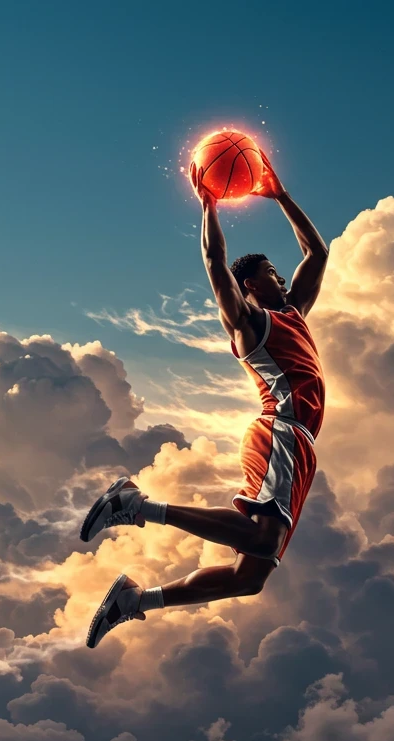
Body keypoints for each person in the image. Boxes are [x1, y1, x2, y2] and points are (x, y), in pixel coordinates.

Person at [80, 150, 329, 647]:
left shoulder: (295, 314)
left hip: (301, 446)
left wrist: (279, 194)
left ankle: (134, 600)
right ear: (249, 286)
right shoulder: (250, 325)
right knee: (259, 538)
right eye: (270, 272)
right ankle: (133, 506)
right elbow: (216, 262)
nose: (280, 277)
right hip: (280, 428)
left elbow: (317, 254)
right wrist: (209, 205)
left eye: (280, 272)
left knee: (250, 578)